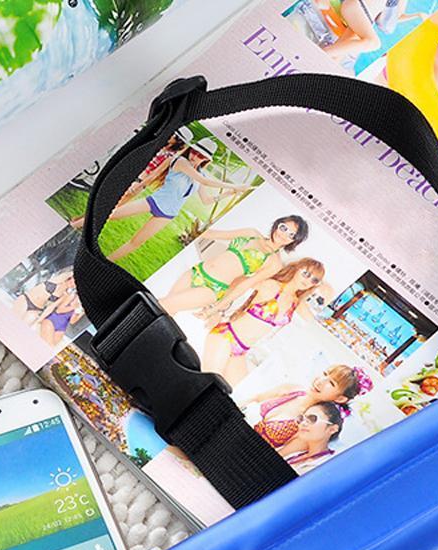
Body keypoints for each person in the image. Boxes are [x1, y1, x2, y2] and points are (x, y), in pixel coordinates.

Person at [72, 137, 254, 261]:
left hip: (168, 214)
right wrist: (236, 186)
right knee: (110, 215)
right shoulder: (181, 162)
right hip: (153, 202)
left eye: (201, 156)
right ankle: (74, 226)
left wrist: (228, 194)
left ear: (206, 159)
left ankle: (106, 260)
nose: (195, 156)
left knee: (136, 242)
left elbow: (206, 200)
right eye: (194, 151)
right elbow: (205, 181)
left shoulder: (200, 174)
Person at [202, 258, 326, 386]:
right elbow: (238, 284)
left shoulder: (296, 302)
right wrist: (217, 310)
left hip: (242, 350)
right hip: (226, 336)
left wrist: (319, 287)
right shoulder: (272, 285)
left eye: (314, 280)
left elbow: (313, 320)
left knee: (235, 392)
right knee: (209, 383)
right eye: (306, 273)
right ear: (296, 268)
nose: (308, 280)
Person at [158, 215, 310, 317]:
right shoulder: (251, 233)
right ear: (277, 225)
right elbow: (215, 234)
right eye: (284, 228)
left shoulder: (274, 262)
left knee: (162, 305)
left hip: (212, 288)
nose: (284, 234)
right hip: (197, 271)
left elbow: (244, 286)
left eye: (291, 235)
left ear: (294, 241)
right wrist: (193, 228)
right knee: (167, 310)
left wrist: (216, 308)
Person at [247, 365, 373, 448]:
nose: (320, 381)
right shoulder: (292, 389)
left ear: (340, 399)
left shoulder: (312, 425)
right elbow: (254, 398)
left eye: (331, 383)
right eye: (325, 374)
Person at [275, 401, 344, 472]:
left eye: (312, 419)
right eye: (301, 418)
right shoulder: (295, 454)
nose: (303, 423)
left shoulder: (325, 466)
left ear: (332, 429)